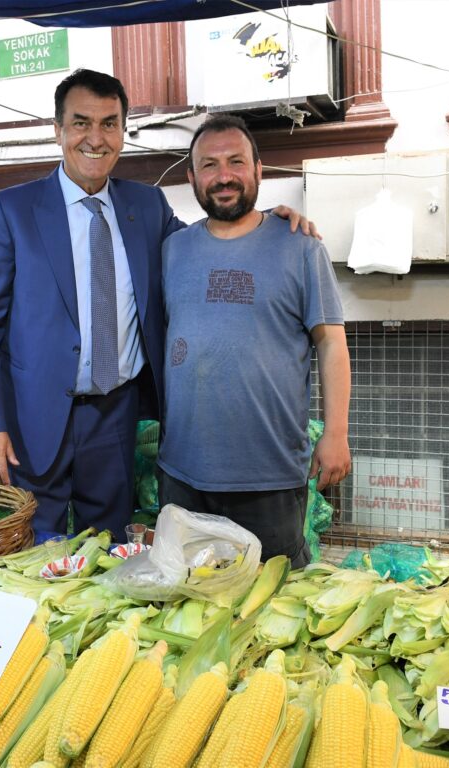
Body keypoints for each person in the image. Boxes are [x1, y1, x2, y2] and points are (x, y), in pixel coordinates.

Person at [0, 69, 313, 540]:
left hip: (115, 415)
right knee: (29, 551)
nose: (95, 138)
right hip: (32, 418)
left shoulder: (145, 206)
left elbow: (206, 241)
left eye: (109, 124)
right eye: (81, 123)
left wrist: (264, 219)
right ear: (58, 129)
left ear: (123, 132)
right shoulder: (11, 210)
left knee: (107, 548)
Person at [156, 114, 351, 568]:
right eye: (209, 165)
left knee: (270, 610)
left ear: (260, 171)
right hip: (183, 473)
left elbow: (332, 345)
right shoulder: (172, 250)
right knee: (188, 605)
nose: (223, 176)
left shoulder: (300, 247)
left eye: (236, 162)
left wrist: (337, 433)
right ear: (191, 178)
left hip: (269, 475)